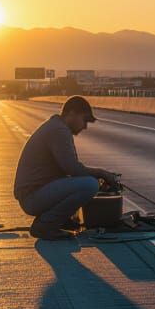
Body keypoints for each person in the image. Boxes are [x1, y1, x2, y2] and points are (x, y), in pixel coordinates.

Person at [13, 96, 118, 240]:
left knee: (82, 181)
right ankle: (47, 225)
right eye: (84, 120)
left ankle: (57, 220)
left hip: (34, 194)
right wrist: (101, 173)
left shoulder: (57, 127)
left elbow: (69, 170)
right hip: (32, 197)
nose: (85, 126)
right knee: (89, 185)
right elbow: (73, 169)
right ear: (72, 114)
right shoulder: (58, 130)